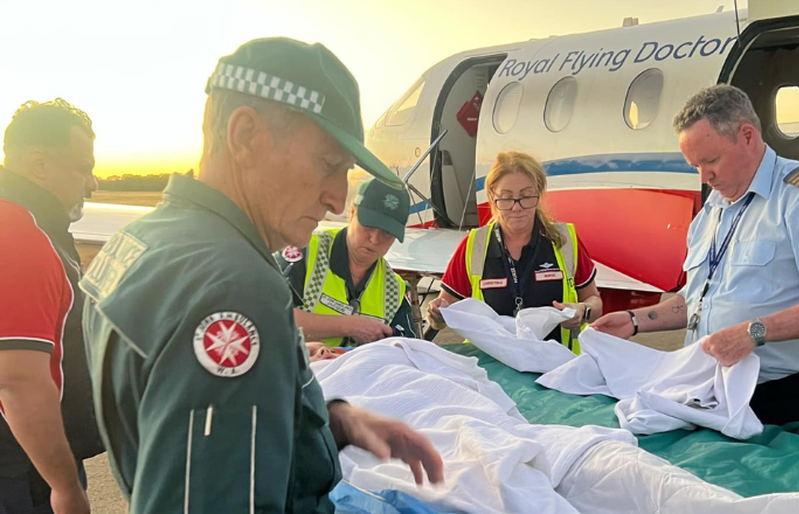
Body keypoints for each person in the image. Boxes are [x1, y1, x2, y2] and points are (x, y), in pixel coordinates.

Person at [80, 38, 443, 514]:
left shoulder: (144, 240)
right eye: (329, 164)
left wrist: (337, 424)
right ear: (246, 136)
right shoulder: (235, 287)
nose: (336, 198)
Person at [590, 85, 799, 425]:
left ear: (747, 136)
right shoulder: (714, 210)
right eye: (695, 166)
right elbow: (699, 301)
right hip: (711, 393)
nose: (704, 177)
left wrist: (754, 332)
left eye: (710, 160)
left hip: (787, 403)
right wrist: (636, 321)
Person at [0, 99, 105, 514]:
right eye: (83, 167)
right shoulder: (20, 233)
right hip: (24, 474)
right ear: (40, 164)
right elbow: (20, 381)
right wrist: (63, 488)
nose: (92, 183)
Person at [426, 151, 602, 353]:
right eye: (507, 198)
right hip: (492, 370)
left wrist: (583, 310)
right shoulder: (473, 245)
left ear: (539, 193)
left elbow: (594, 302)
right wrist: (436, 314)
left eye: (526, 196)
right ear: (492, 196)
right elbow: (439, 319)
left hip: (556, 366)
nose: (517, 208)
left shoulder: (565, 240)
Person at [275, 178, 416, 346]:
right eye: (369, 225)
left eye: (387, 233)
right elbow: (271, 316)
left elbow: (409, 349)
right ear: (352, 213)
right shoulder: (303, 253)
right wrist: (349, 326)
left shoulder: (395, 290)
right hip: (297, 368)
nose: (374, 239)